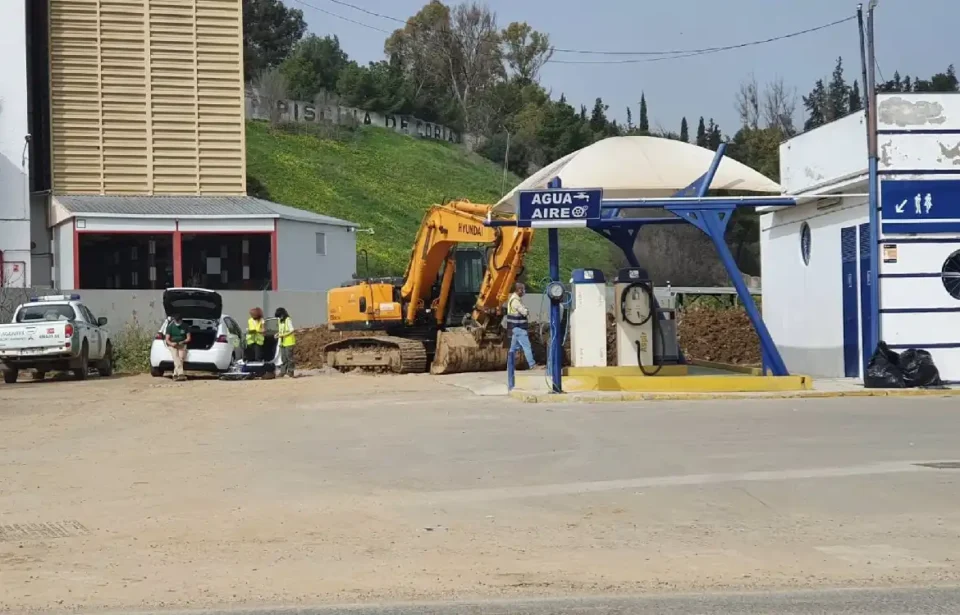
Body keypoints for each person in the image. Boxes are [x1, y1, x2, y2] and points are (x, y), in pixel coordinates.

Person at [506, 282, 537, 370]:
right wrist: (526, 310)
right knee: (527, 346)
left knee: (513, 349)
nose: (524, 291)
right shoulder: (515, 301)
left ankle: (509, 367)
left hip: (515, 328)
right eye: (523, 289)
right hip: (519, 328)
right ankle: (532, 364)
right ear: (519, 290)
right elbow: (524, 312)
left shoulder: (514, 299)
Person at [165, 313, 191, 382]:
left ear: (181, 320)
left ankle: (175, 375)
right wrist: (171, 343)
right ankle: (181, 374)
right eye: (176, 321)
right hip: (172, 345)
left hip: (182, 344)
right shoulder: (170, 327)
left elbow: (188, 338)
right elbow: (167, 339)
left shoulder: (185, 326)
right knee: (176, 358)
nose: (177, 322)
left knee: (181, 358)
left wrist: (182, 342)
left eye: (178, 321)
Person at [275, 307, 296, 377]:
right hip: (282, 342)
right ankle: (283, 371)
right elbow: (281, 330)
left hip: (289, 342)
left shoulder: (288, 320)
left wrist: (283, 335)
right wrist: (278, 334)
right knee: (283, 358)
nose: (279, 318)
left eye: (280, 316)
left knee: (289, 358)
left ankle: (291, 371)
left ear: (283, 314)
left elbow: (292, 330)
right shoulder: (279, 321)